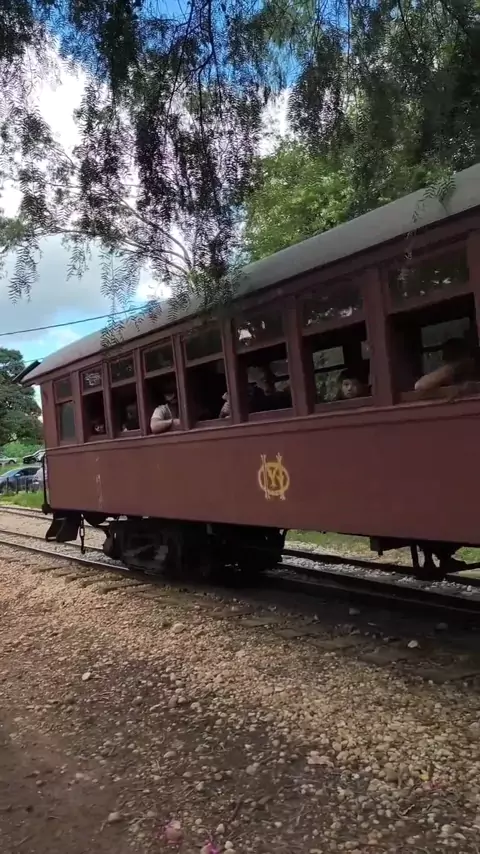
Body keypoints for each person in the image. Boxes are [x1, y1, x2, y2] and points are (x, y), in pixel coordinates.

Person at [414, 337, 479, 395]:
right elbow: (420, 385)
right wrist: (451, 369)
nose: (443, 359)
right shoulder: (448, 376)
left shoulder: (474, 374)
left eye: (449, 355)